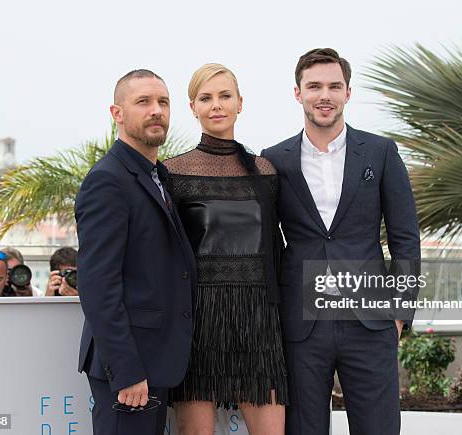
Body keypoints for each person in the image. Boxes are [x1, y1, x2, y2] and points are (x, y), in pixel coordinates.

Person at [261, 48, 421, 435]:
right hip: (301, 325)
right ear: (298, 93)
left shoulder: (381, 152)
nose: (324, 95)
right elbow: (267, 247)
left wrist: (400, 314)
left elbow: (405, 238)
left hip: (369, 322)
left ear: (348, 92)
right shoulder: (274, 159)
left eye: (334, 86)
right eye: (314, 86)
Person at [164, 64, 287, 435]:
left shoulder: (266, 172)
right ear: (193, 107)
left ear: (240, 103)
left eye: (224, 96)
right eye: (206, 98)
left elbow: (277, 248)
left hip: (260, 322)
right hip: (198, 321)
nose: (216, 105)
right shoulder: (171, 172)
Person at [75, 69, 196, 435]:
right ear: (117, 113)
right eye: (143, 102)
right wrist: (126, 371)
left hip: (155, 362)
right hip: (129, 373)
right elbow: (98, 285)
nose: (156, 110)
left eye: (163, 102)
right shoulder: (108, 180)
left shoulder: (154, 175)